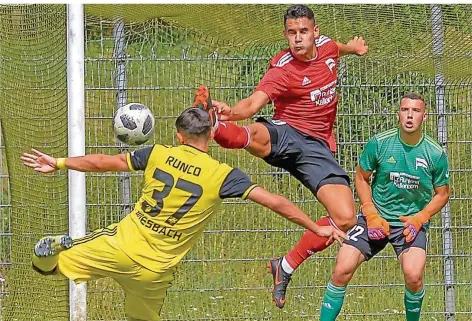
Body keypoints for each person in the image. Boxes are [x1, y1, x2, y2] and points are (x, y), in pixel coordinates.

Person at [21, 108, 347, 321]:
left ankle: (53, 248)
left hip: (119, 248)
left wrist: (60, 162)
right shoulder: (223, 175)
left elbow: (103, 162)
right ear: (209, 136)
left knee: (47, 269)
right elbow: (275, 201)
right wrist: (314, 227)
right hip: (154, 273)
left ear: (179, 135)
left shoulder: (157, 154)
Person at [192, 4, 368, 308]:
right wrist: (230, 111)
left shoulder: (327, 48)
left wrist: (352, 47)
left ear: (315, 31)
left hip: (318, 148)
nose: (297, 39)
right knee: (257, 134)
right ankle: (215, 125)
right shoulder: (282, 68)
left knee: (346, 219)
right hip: (288, 132)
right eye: (291, 33)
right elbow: (252, 105)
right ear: (285, 34)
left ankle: (284, 266)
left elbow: (335, 47)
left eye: (303, 32)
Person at [319, 93, 450, 321]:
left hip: (409, 224)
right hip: (375, 218)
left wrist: (421, 217)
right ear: (398, 114)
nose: (410, 116)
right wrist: (369, 212)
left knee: (413, 275)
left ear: (424, 117)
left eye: (416, 111)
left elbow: (442, 194)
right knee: (342, 268)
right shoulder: (380, 143)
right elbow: (361, 178)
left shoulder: (435, 153)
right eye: (405, 110)